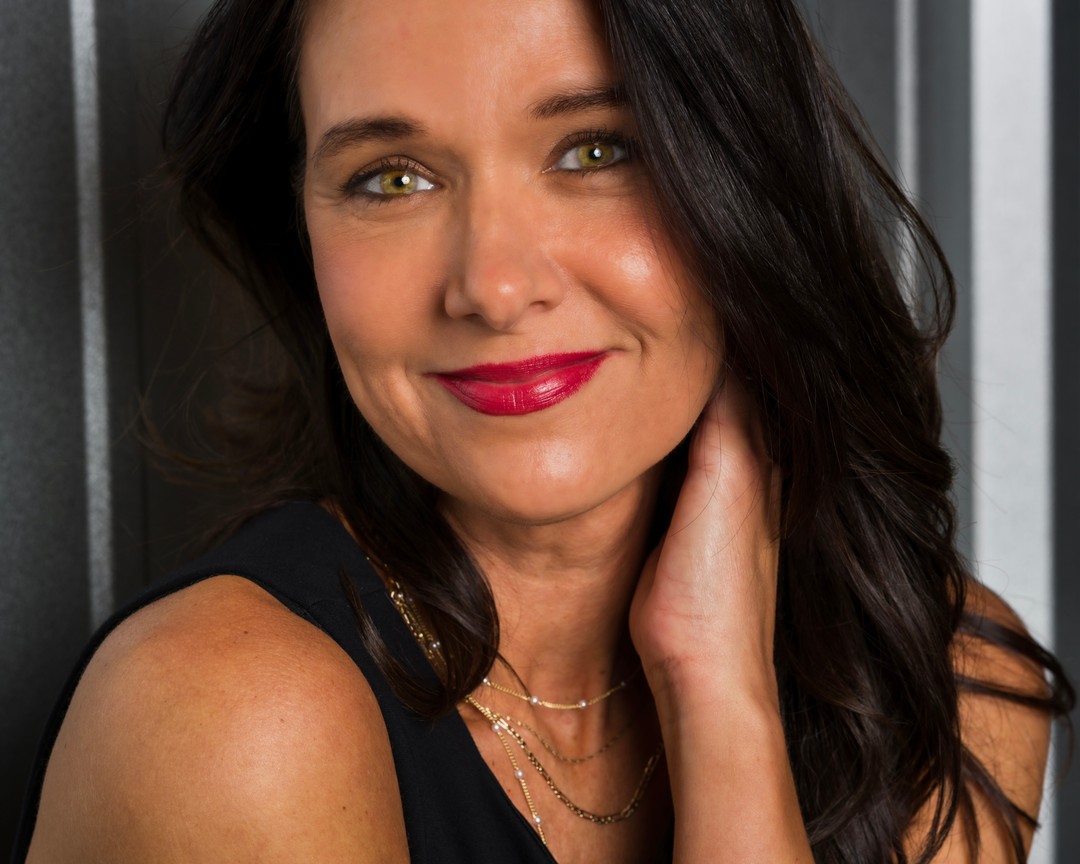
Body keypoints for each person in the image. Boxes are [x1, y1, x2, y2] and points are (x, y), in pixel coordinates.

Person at [13, 0, 1074, 861]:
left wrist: (718, 691)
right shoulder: (230, 717)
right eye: (391, 178)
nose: (493, 284)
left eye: (594, 150)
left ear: (748, 182)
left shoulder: (952, 692)